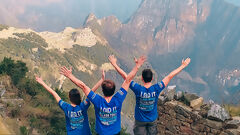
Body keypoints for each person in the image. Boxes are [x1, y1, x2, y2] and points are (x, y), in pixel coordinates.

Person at [60, 56, 146, 135]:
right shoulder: (118, 98)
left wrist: (70, 76)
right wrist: (136, 66)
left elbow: (83, 86)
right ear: (114, 90)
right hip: (115, 133)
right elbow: (128, 80)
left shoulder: (97, 100)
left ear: (102, 90)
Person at [108, 55, 191, 135]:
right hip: (152, 121)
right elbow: (170, 76)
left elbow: (126, 77)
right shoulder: (157, 88)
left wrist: (114, 64)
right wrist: (183, 66)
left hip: (140, 121)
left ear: (142, 78)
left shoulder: (137, 89)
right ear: (152, 79)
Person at [35, 70, 105, 135]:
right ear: (79, 97)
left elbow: (54, 93)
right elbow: (90, 92)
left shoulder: (66, 107)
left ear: (69, 97)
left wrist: (42, 83)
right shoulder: (83, 106)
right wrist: (101, 80)